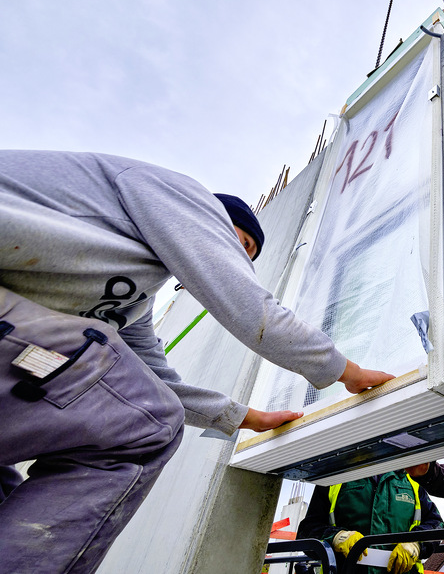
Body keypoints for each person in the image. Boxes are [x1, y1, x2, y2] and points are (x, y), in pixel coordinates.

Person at [0, 150, 394, 574]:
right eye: (240, 245)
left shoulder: (133, 300)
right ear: (215, 219)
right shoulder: (183, 196)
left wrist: (243, 417)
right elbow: (246, 304)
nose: (238, 259)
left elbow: (154, 376)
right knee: (148, 424)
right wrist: (345, 372)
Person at [297, 470, 444, 574]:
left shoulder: (411, 480)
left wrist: (416, 544)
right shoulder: (335, 479)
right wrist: (337, 537)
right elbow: (307, 531)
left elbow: (437, 524)